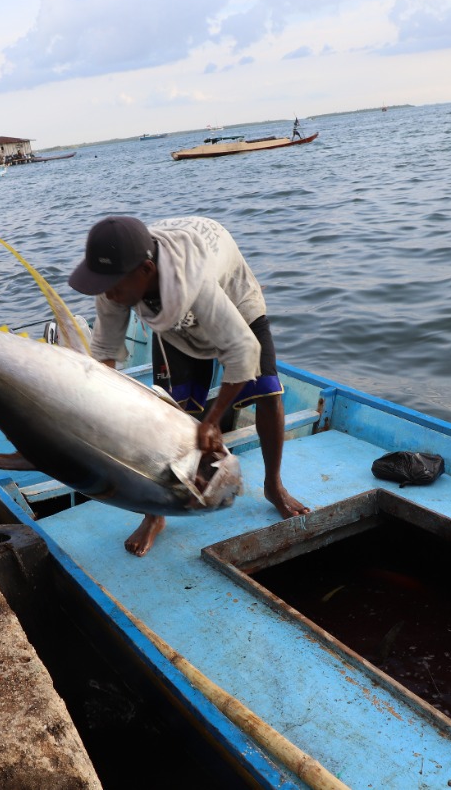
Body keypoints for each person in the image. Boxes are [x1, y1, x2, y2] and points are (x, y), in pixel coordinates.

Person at [69, 215, 311, 556]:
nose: (108, 293)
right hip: (168, 315)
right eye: (102, 282)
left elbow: (242, 350)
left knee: (268, 392)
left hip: (231, 295)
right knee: (169, 410)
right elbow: (105, 356)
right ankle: (154, 515)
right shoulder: (115, 283)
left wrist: (212, 420)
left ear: (146, 269)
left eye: (115, 284)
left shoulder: (192, 276)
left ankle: (273, 486)